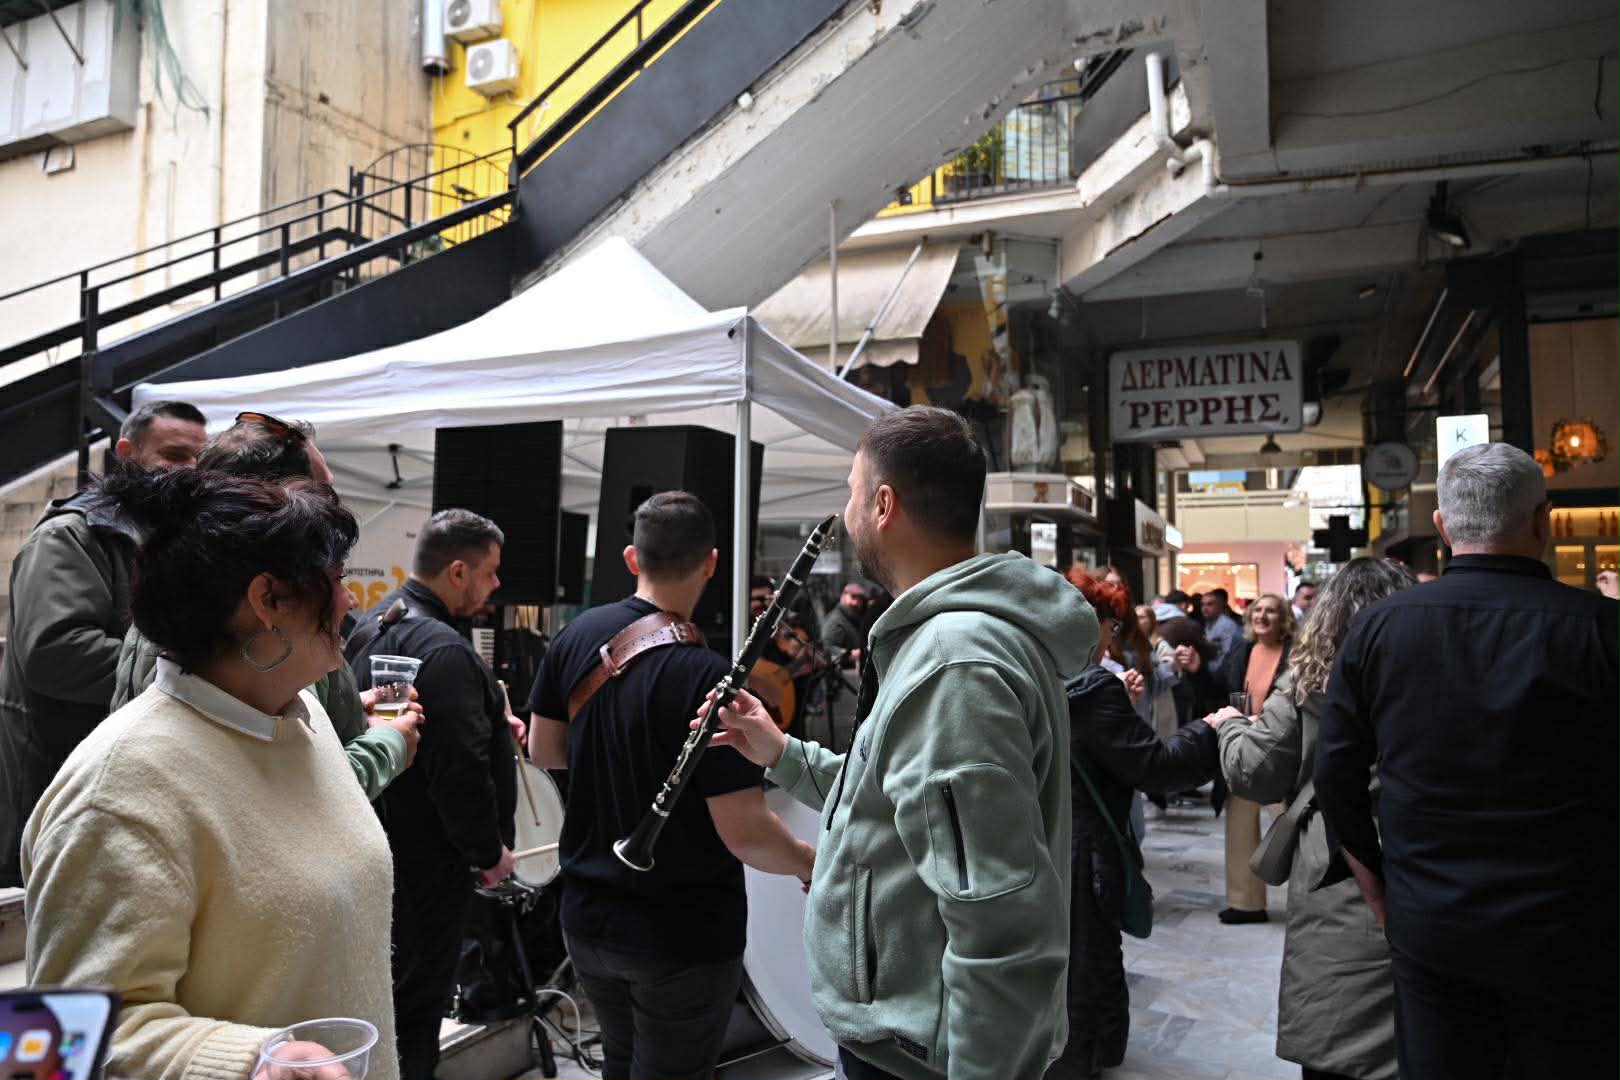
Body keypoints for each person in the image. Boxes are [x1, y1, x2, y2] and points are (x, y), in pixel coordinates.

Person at [704, 406, 1097, 1080]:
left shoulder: (952, 662)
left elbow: (997, 912)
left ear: (884, 505)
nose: (847, 510)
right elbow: (886, 797)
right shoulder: (947, 644)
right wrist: (781, 753)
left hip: (920, 1054)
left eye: (853, 492)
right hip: (911, 1036)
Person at [21, 466, 398, 1080]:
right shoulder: (120, 789)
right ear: (268, 600)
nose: (349, 601)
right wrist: (258, 1061)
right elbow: (65, 1039)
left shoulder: (303, 720)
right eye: (335, 580)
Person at [1316, 442, 1620, 1079]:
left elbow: (1336, 774)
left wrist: (1377, 891)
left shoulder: (1380, 628)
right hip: (1574, 923)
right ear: (1542, 521)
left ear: (1443, 526)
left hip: (1432, 920)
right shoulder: (1601, 628)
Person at [526, 492, 814, 1080]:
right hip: (680, 934)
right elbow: (746, 834)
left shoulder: (575, 636)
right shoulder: (708, 676)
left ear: (632, 558)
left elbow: (543, 751)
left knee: (621, 1063)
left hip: (587, 919)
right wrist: (812, 863)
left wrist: (613, 754)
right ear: (711, 563)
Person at [108, 412, 421, 799]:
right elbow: (285, 790)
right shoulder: (267, 639)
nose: (348, 600)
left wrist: (349, 711)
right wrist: (386, 745)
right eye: (320, 494)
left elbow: (264, 743)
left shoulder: (187, 617)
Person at [1213, 559, 1414, 1080]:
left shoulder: (1311, 681)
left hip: (1339, 867)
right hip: (1425, 857)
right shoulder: (1440, 674)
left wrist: (1231, 726)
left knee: (1342, 1032)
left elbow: (1254, 771)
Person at [0, 399, 207, 886]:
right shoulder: (69, 536)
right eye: (174, 455)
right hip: (57, 789)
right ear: (127, 453)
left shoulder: (168, 539)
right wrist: (197, 669)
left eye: (198, 458)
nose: (189, 470)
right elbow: (57, 653)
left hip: (123, 787)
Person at [349, 509, 517, 1080]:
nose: (496, 584)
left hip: (383, 852)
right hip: (425, 871)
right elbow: (458, 771)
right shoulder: (443, 648)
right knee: (413, 1020)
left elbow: (422, 738)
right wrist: (488, 852)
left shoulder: (377, 622)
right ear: (458, 571)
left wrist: (493, 721)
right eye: (489, 572)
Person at [1050, 570, 1220, 1079]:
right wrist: (1209, 729)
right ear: (1090, 625)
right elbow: (1156, 768)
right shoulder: (1094, 688)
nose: (1115, 637)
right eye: (1113, 626)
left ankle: (1083, 1055)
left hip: (1049, 844)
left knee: (1074, 961)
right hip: (1087, 848)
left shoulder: (1037, 676)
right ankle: (1085, 1059)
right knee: (1090, 959)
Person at [1213, 592, 1296, 924]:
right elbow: (1216, 685)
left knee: (1291, 823)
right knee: (1240, 823)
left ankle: (1305, 896)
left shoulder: (1296, 655)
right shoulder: (1242, 651)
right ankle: (1245, 904)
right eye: (1257, 610)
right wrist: (1194, 669)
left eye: (1271, 611)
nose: (1262, 616)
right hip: (1244, 743)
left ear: (1283, 618)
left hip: (1282, 747)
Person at [821, 580, 869, 665]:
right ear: (843, 597)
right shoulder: (835, 621)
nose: (856, 603)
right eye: (853, 597)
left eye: (860, 600)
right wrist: (850, 654)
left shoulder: (852, 618)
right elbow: (826, 648)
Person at [1199, 588, 1243, 667]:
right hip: (1211, 668)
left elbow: (1228, 655)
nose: (1204, 608)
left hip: (1221, 670)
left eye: (1209, 604)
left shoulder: (1227, 625)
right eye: (1202, 604)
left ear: (1219, 606)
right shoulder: (1209, 622)